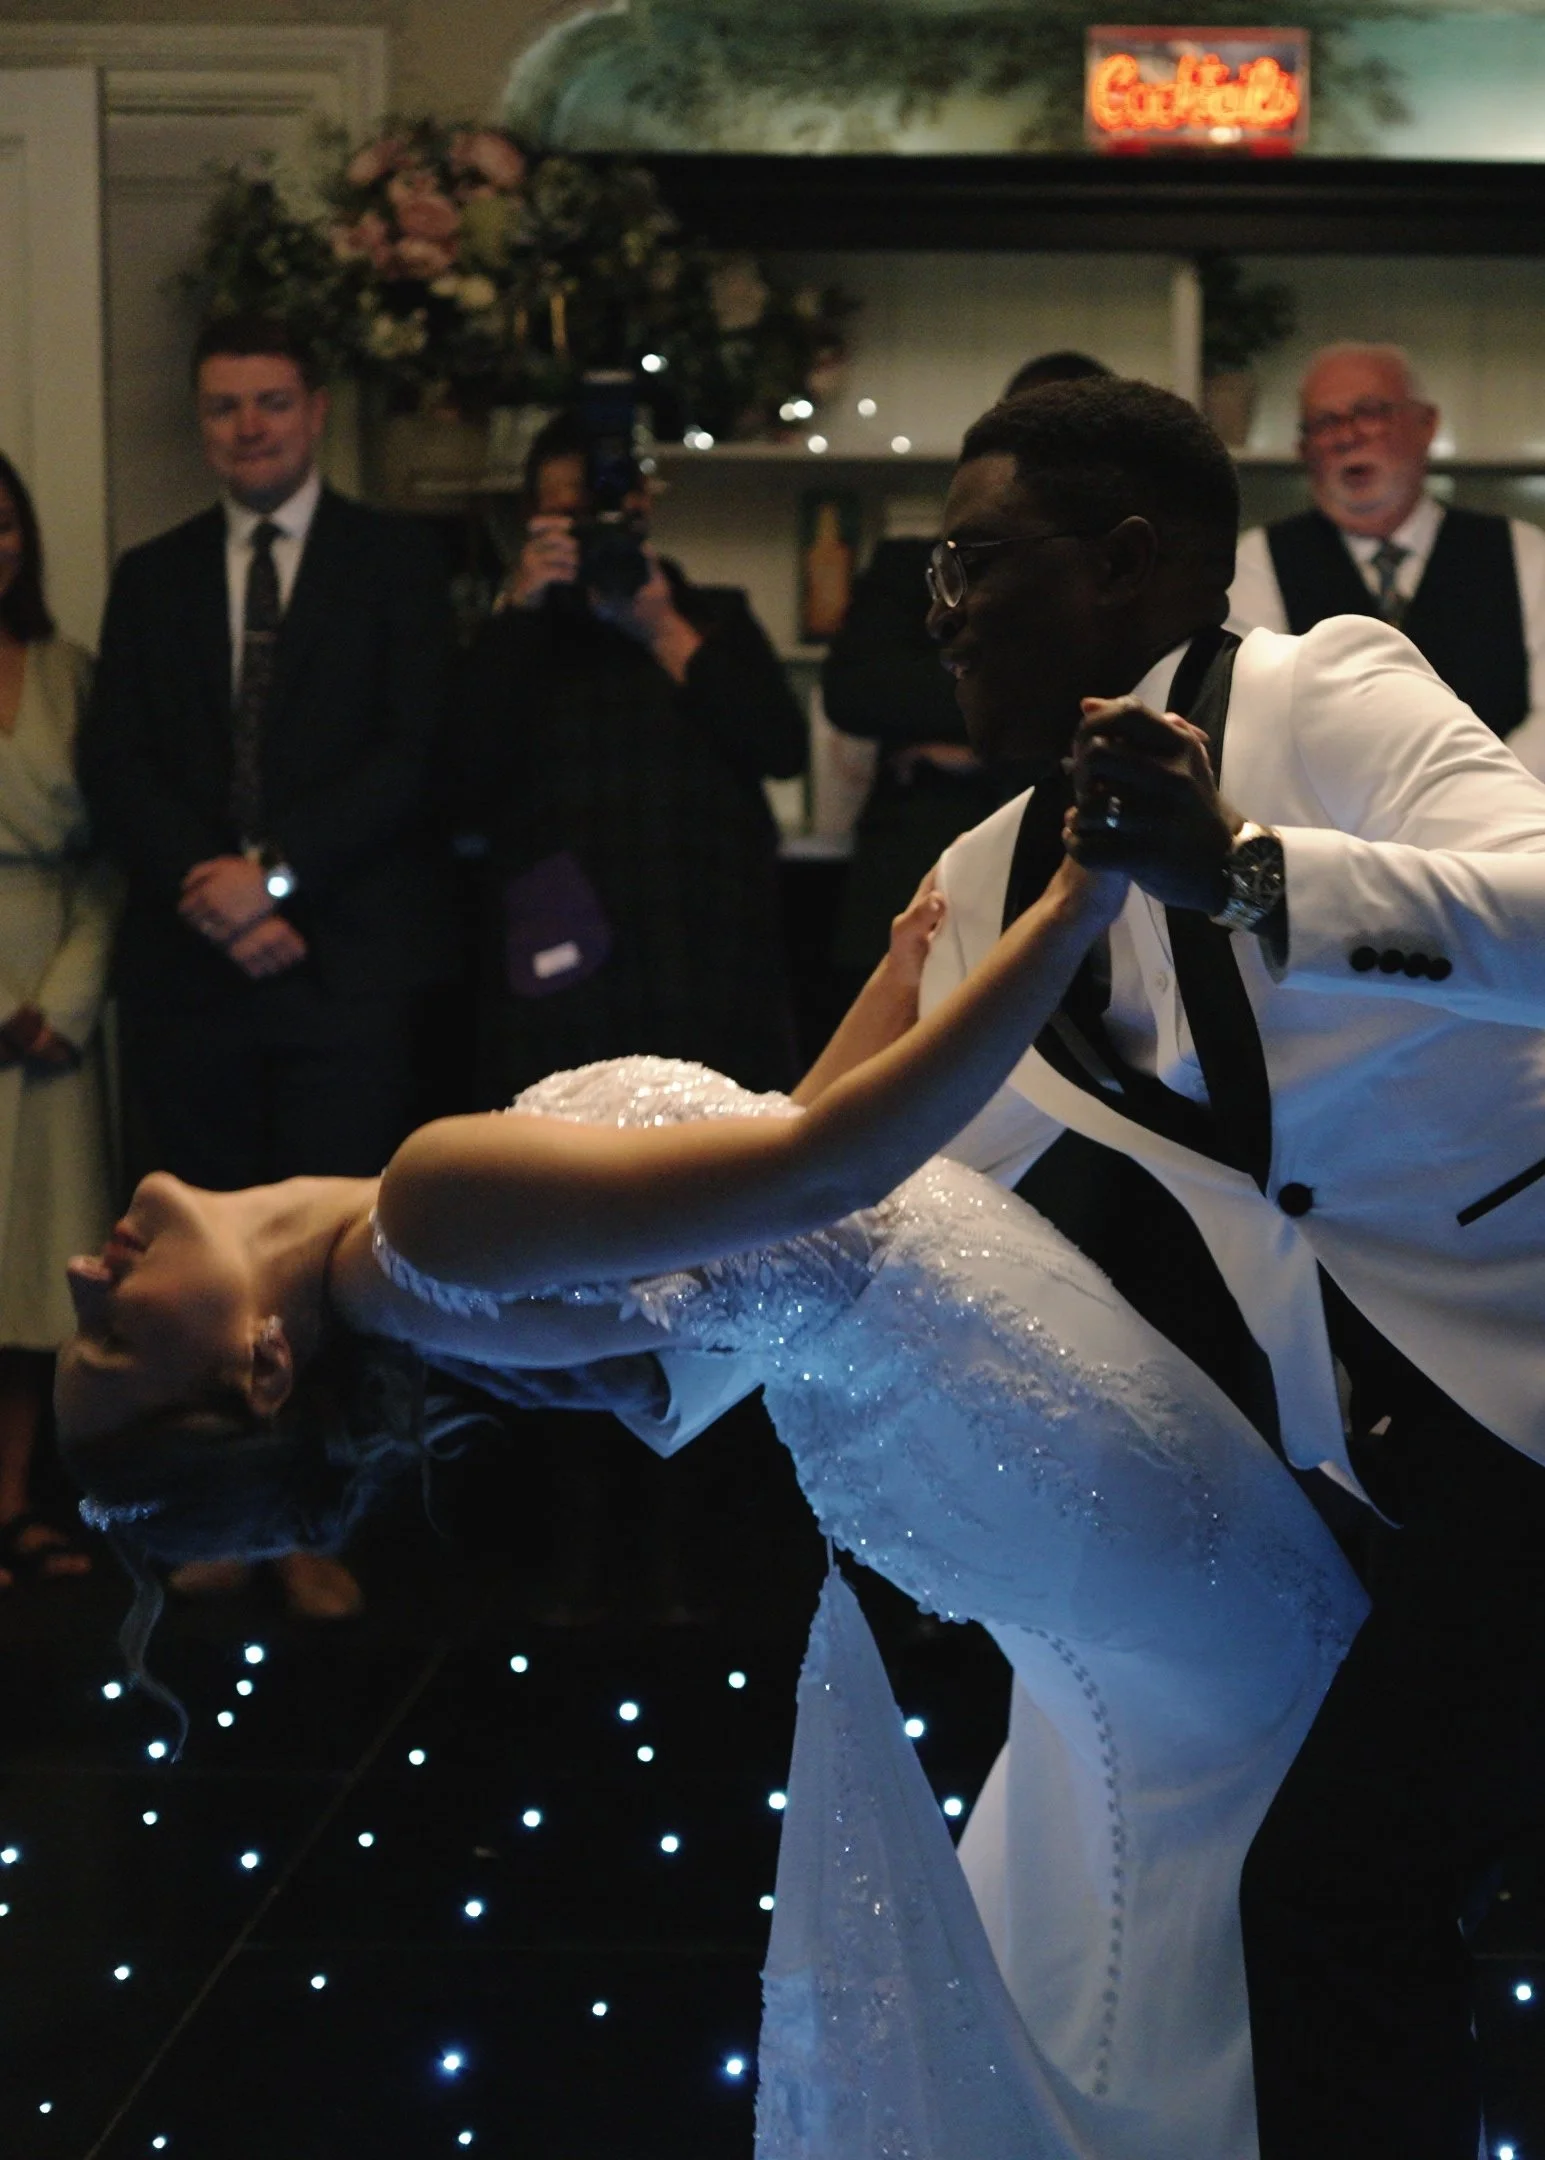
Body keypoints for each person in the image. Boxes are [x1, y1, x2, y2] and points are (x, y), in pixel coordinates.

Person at [54, 846, 1365, 2160]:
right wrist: (1082, 893)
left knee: (1186, 1758)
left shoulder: (413, 1265)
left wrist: (897, 978)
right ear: (265, 1371)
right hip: (994, 1398)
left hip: (951, 1422)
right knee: (1257, 1704)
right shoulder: (427, 1212)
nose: (79, 1275)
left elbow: (763, 1204)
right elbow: (818, 1177)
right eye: (110, 1347)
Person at [917, 374, 1545, 2160]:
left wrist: (1253, 871)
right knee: (1334, 1898)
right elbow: (886, 1177)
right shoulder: (989, 876)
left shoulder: (1325, 688)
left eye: (976, 561)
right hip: (1376, 1467)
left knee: (1334, 1894)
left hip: (1531, 1371)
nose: (944, 610)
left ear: (1125, 567)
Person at [78, 312, 455, 1622]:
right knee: (185, 1281)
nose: (247, 427)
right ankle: (209, 1520)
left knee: (334, 1274)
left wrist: (275, 879)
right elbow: (116, 762)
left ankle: (319, 1521)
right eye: (224, 407)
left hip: (339, 970)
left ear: (314, 413)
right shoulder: (153, 572)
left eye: (271, 404)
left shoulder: (396, 563)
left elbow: (416, 753)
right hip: (191, 980)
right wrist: (219, 896)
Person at [450, 407, 807, 1102]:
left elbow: (780, 746)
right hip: (561, 971)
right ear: (532, 520)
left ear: (641, 509)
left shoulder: (710, 615)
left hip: (704, 959)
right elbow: (458, 780)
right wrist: (520, 608)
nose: (594, 534)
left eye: (608, 515)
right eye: (569, 517)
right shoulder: (513, 638)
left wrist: (662, 627)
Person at [823, 350, 1110, 981]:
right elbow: (857, 692)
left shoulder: (1121, 578)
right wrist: (1045, 709)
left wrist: (956, 740)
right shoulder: (908, 566)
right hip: (915, 866)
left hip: (1068, 864)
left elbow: (1133, 698)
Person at [1229, 340, 1545, 774]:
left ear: (1427, 425)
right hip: (1330, 832)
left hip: (1504, 827)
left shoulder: (1523, 551)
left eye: (1370, 412)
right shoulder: (1255, 563)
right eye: (1324, 423)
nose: (1346, 436)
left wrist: (1482, 798)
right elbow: (1259, 727)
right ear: (1304, 451)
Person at [0, 452, 118, 1592]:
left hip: (59, 1000)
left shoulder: (70, 675)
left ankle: (18, 1505)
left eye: (2, 526)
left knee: (41, 1263)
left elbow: (107, 857)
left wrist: (63, 1002)